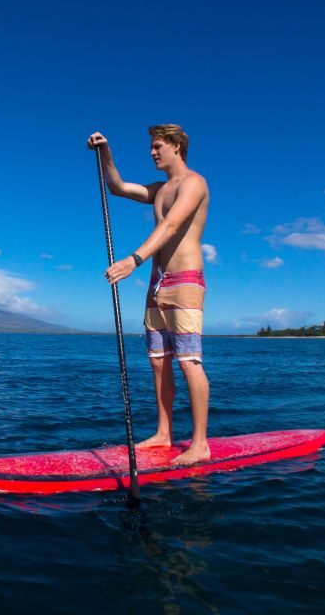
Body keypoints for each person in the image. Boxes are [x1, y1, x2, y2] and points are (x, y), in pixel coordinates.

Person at [88, 125, 211, 465]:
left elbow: (170, 226)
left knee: (189, 363)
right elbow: (116, 187)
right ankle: (163, 434)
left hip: (184, 281)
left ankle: (200, 444)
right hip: (158, 283)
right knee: (158, 362)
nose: (152, 152)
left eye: (157, 146)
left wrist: (134, 260)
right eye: (151, 147)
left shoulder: (194, 183)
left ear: (176, 146)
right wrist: (105, 151)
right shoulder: (159, 189)